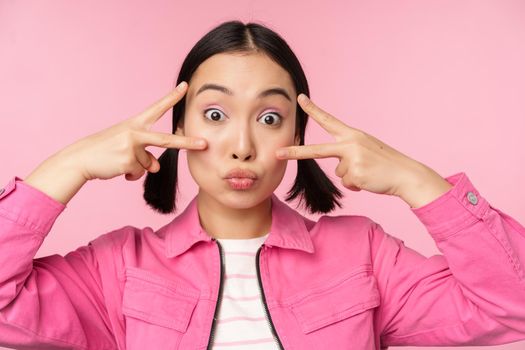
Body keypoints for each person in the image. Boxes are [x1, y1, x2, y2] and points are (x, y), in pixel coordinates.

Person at [0, 20, 524, 350]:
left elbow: (514, 305)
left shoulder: (362, 252)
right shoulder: (119, 267)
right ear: (178, 129)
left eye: (270, 118)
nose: (243, 145)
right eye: (214, 113)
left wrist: (416, 180)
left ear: (298, 134)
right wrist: (67, 166)